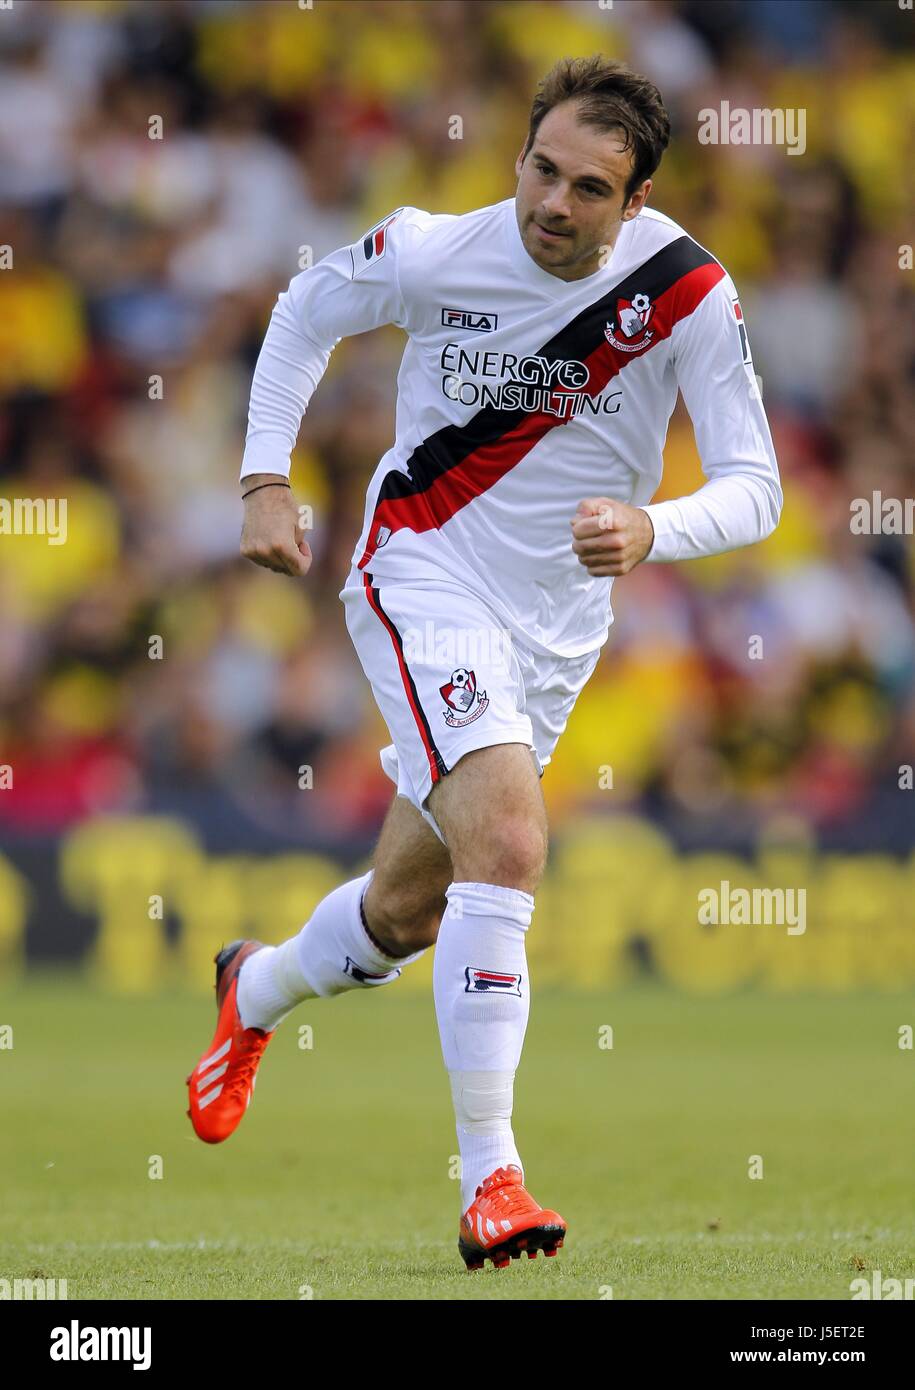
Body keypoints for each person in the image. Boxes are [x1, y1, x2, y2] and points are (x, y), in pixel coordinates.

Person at [186, 55, 781, 1272]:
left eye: (590, 189)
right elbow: (306, 307)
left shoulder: (686, 295)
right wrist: (261, 477)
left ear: (638, 200)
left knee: (409, 908)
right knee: (508, 843)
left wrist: (656, 528)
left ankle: (254, 990)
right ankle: (491, 1179)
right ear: (520, 156)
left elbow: (758, 488)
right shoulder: (434, 248)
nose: (554, 205)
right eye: (542, 170)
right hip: (421, 572)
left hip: (552, 641)